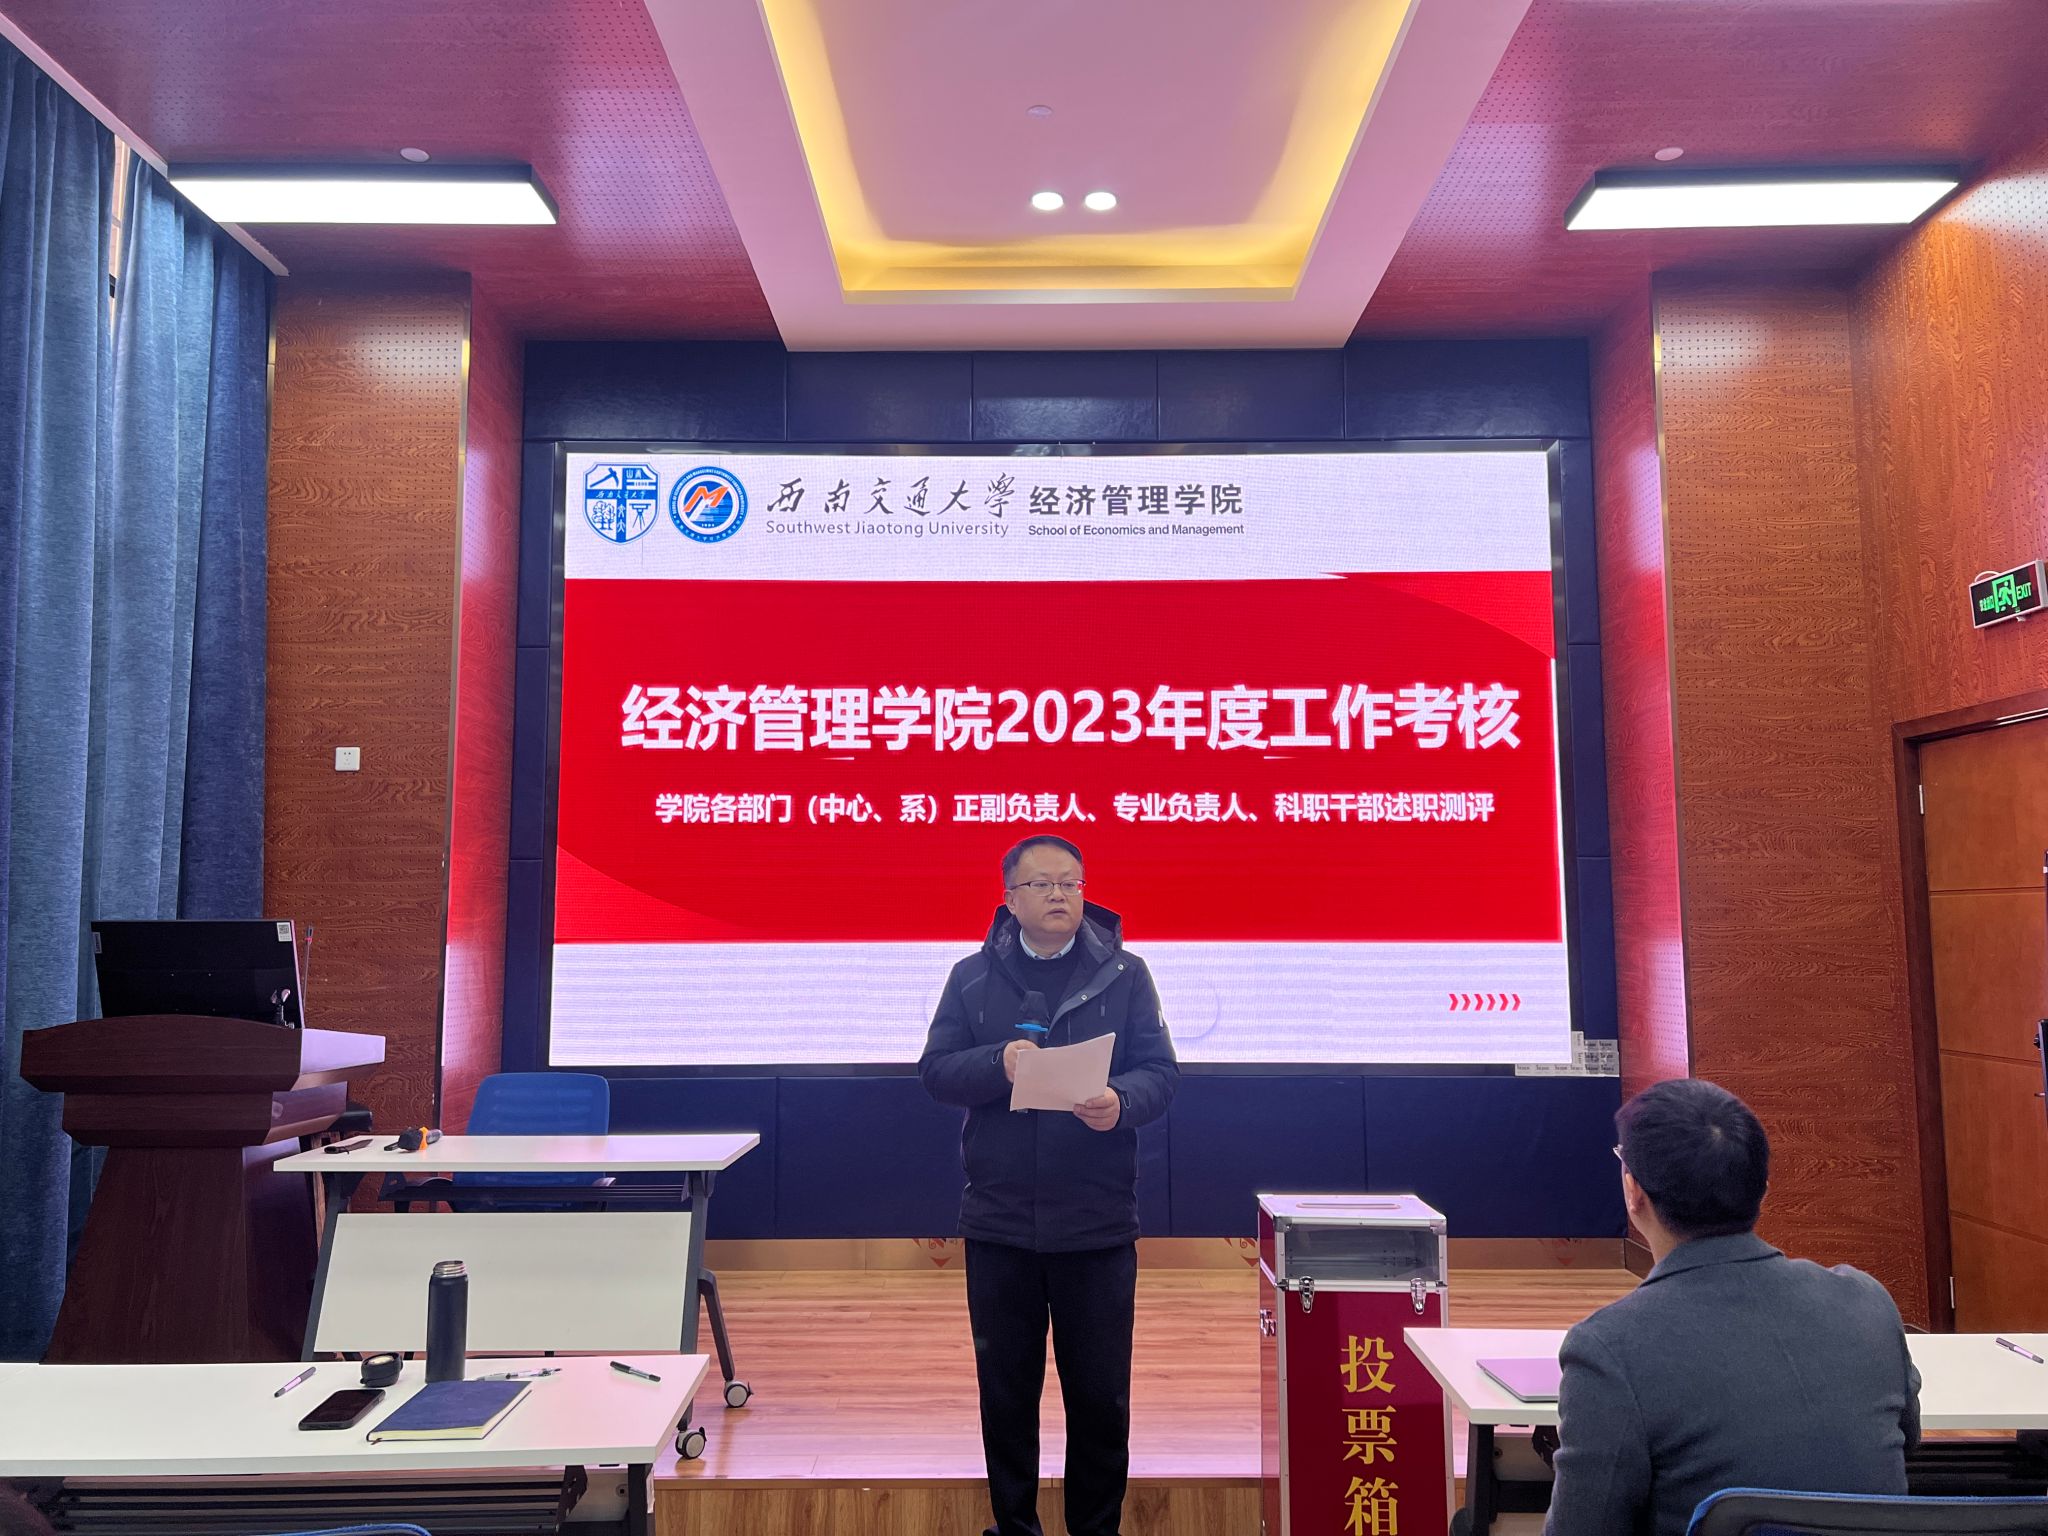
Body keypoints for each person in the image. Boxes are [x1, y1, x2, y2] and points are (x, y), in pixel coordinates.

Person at [918, 834, 1179, 1536]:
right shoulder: (972, 977)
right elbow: (936, 1071)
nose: (1059, 894)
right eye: (1041, 883)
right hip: (1000, 1223)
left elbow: (1161, 1074)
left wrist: (1121, 1100)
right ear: (1010, 899)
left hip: (1096, 1223)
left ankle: (1096, 1530)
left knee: (1100, 1399)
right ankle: (1015, 1528)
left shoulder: (1126, 974)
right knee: (1006, 1397)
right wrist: (997, 1064)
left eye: (1071, 882)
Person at [1545, 1078, 1922, 1536]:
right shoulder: (1867, 1302)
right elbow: (1905, 1445)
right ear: (1763, 1188)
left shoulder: (1608, 1347)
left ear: (1633, 1192)